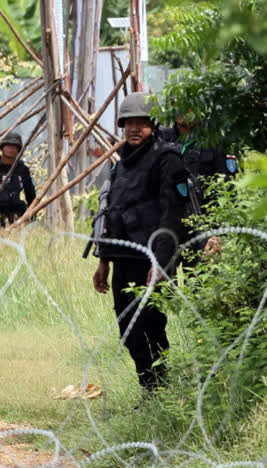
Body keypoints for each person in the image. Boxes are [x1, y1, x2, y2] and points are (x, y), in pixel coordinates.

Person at [90, 92, 189, 392]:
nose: (134, 129)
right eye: (129, 123)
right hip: (123, 259)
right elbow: (111, 213)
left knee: (151, 327)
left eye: (142, 123)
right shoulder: (121, 164)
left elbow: (173, 215)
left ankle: (158, 391)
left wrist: (160, 263)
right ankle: (150, 388)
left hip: (151, 260)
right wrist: (103, 261)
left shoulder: (167, 159)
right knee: (128, 330)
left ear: (153, 125)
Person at [160, 115, 238, 262]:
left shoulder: (215, 141)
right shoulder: (161, 138)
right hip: (165, 229)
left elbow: (226, 191)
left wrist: (219, 234)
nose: (183, 111)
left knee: (202, 275)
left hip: (201, 228)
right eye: (177, 105)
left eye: (189, 106)